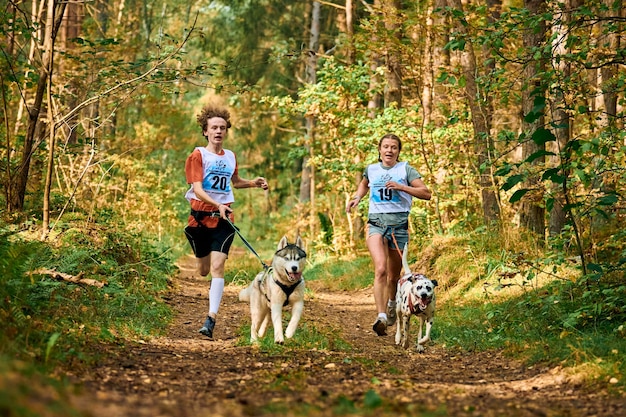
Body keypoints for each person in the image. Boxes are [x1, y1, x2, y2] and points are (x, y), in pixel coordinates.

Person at [184, 104, 269, 340]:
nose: (218, 131)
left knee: (218, 267)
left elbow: (235, 181)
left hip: (224, 220)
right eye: (214, 127)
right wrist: (216, 204)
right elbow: (198, 190)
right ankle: (204, 263)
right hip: (200, 219)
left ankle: (211, 318)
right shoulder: (198, 155)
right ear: (205, 131)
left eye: (222, 127)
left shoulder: (230, 156)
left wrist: (254, 182)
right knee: (203, 271)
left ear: (226, 131)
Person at [345, 133, 431, 337]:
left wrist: (401, 187)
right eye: (386, 147)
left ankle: (392, 304)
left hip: (399, 227)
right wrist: (357, 197)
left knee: (393, 276)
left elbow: (426, 193)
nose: (389, 150)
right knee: (381, 269)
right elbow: (365, 183)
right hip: (376, 224)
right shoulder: (372, 169)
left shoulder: (405, 170)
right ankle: (381, 316)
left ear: (398, 151)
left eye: (393, 147)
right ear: (380, 150)